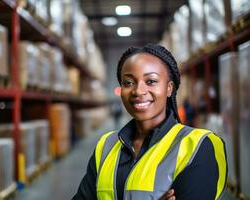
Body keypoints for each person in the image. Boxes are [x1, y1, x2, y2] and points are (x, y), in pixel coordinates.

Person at [72, 44, 227, 200]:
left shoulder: (199, 146)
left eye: (151, 81)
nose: (138, 91)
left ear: (169, 88)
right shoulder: (106, 146)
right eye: (128, 83)